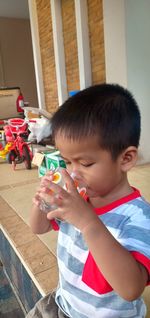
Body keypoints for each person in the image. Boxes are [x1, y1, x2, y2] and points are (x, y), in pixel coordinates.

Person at [26, 84, 150, 318]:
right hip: (63, 303)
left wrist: (88, 223)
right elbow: (38, 228)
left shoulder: (139, 217)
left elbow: (131, 289)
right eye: (67, 162)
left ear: (126, 159)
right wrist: (42, 200)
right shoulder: (78, 198)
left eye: (85, 163)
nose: (73, 174)